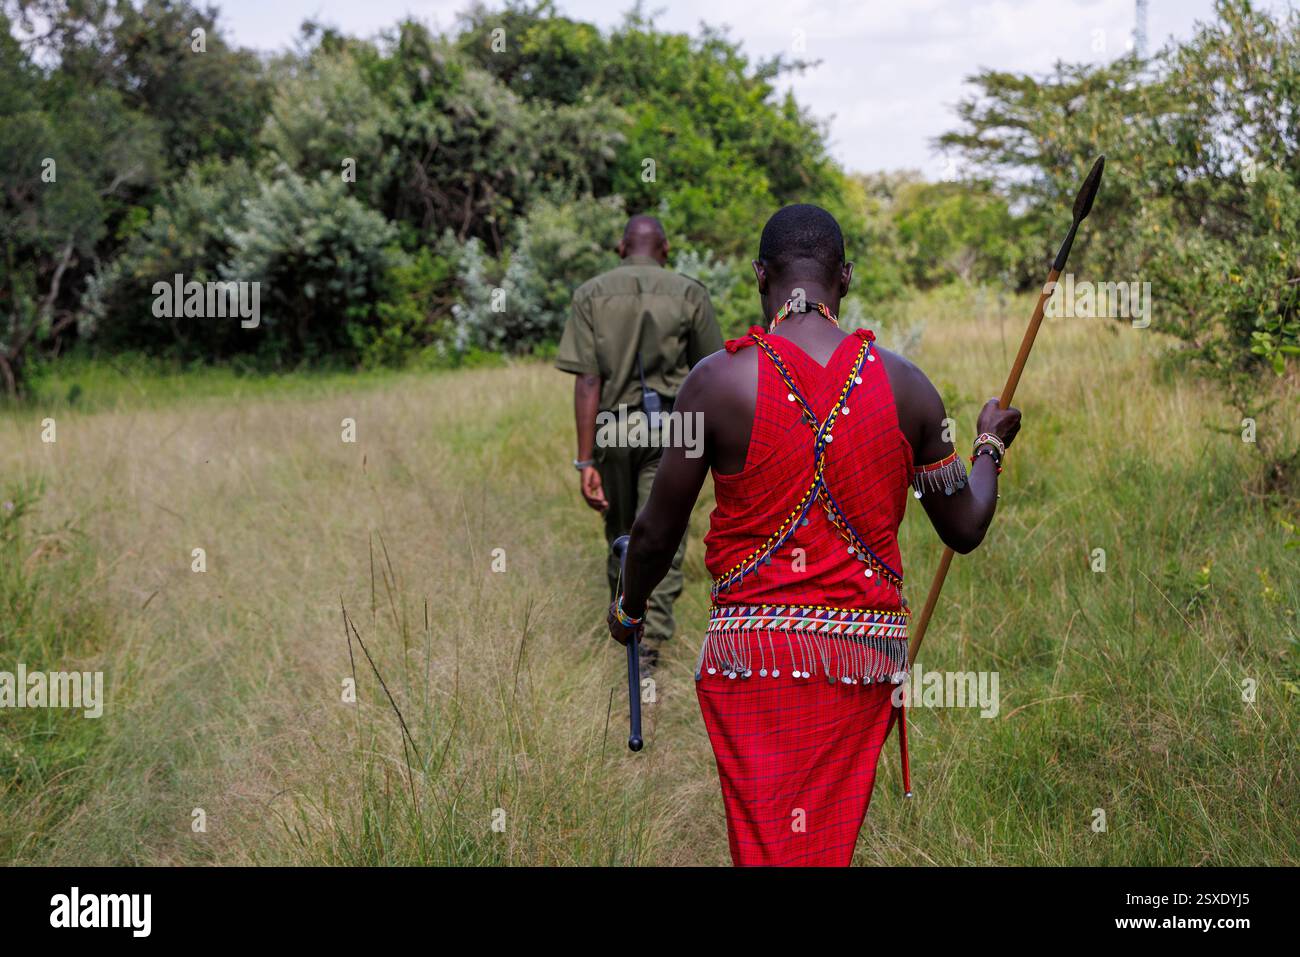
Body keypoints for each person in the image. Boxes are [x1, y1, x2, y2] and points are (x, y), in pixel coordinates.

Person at [606, 204, 1022, 866]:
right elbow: (966, 525)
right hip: (860, 662)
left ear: (761, 276)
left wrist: (628, 607)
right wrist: (989, 447)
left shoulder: (713, 382)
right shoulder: (910, 387)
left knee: (771, 849)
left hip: (752, 661)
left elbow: (656, 532)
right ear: (846, 278)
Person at [556, 214, 722, 667]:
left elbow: (588, 381)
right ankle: (650, 641)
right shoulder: (689, 292)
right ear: (665, 249)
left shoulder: (590, 294)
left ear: (620, 248)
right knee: (663, 535)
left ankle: (624, 622)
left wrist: (584, 461)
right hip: (676, 428)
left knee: (623, 532)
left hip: (613, 427)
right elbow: (711, 372)